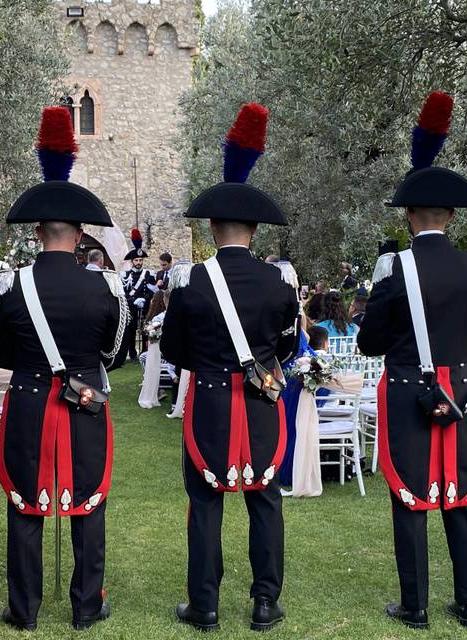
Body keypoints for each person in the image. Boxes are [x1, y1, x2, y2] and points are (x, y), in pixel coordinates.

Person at [357, 92, 467, 630]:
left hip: (407, 390)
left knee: (410, 496)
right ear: (452, 216)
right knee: (461, 497)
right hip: (459, 388)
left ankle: (414, 606)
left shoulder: (393, 268)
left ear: (411, 217)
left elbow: (369, 342)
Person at [162, 103, 299, 633]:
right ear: (254, 232)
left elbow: (173, 350)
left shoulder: (191, 283)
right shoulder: (278, 284)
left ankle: (206, 605)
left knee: (205, 502)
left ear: (213, 228)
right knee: (264, 499)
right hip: (263, 399)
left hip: (211, 403)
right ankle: (266, 603)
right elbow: (287, 347)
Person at [0, 107, 125, 632]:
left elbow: (0, 354)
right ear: (80, 234)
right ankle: (86, 608)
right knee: (88, 503)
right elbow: (114, 351)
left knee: (26, 505)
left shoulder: (11, 286)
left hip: (26, 401)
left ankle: (23, 610)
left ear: (39, 232)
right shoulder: (107, 287)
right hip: (85, 402)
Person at [117, 230, 156, 363]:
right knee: (131, 330)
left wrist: (144, 299)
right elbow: (124, 293)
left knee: (146, 328)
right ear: (132, 261)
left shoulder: (149, 274)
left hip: (145, 306)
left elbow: (152, 291)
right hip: (131, 307)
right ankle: (132, 353)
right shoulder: (125, 275)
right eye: (136, 260)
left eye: (140, 260)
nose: (139, 262)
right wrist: (134, 301)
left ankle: (145, 352)